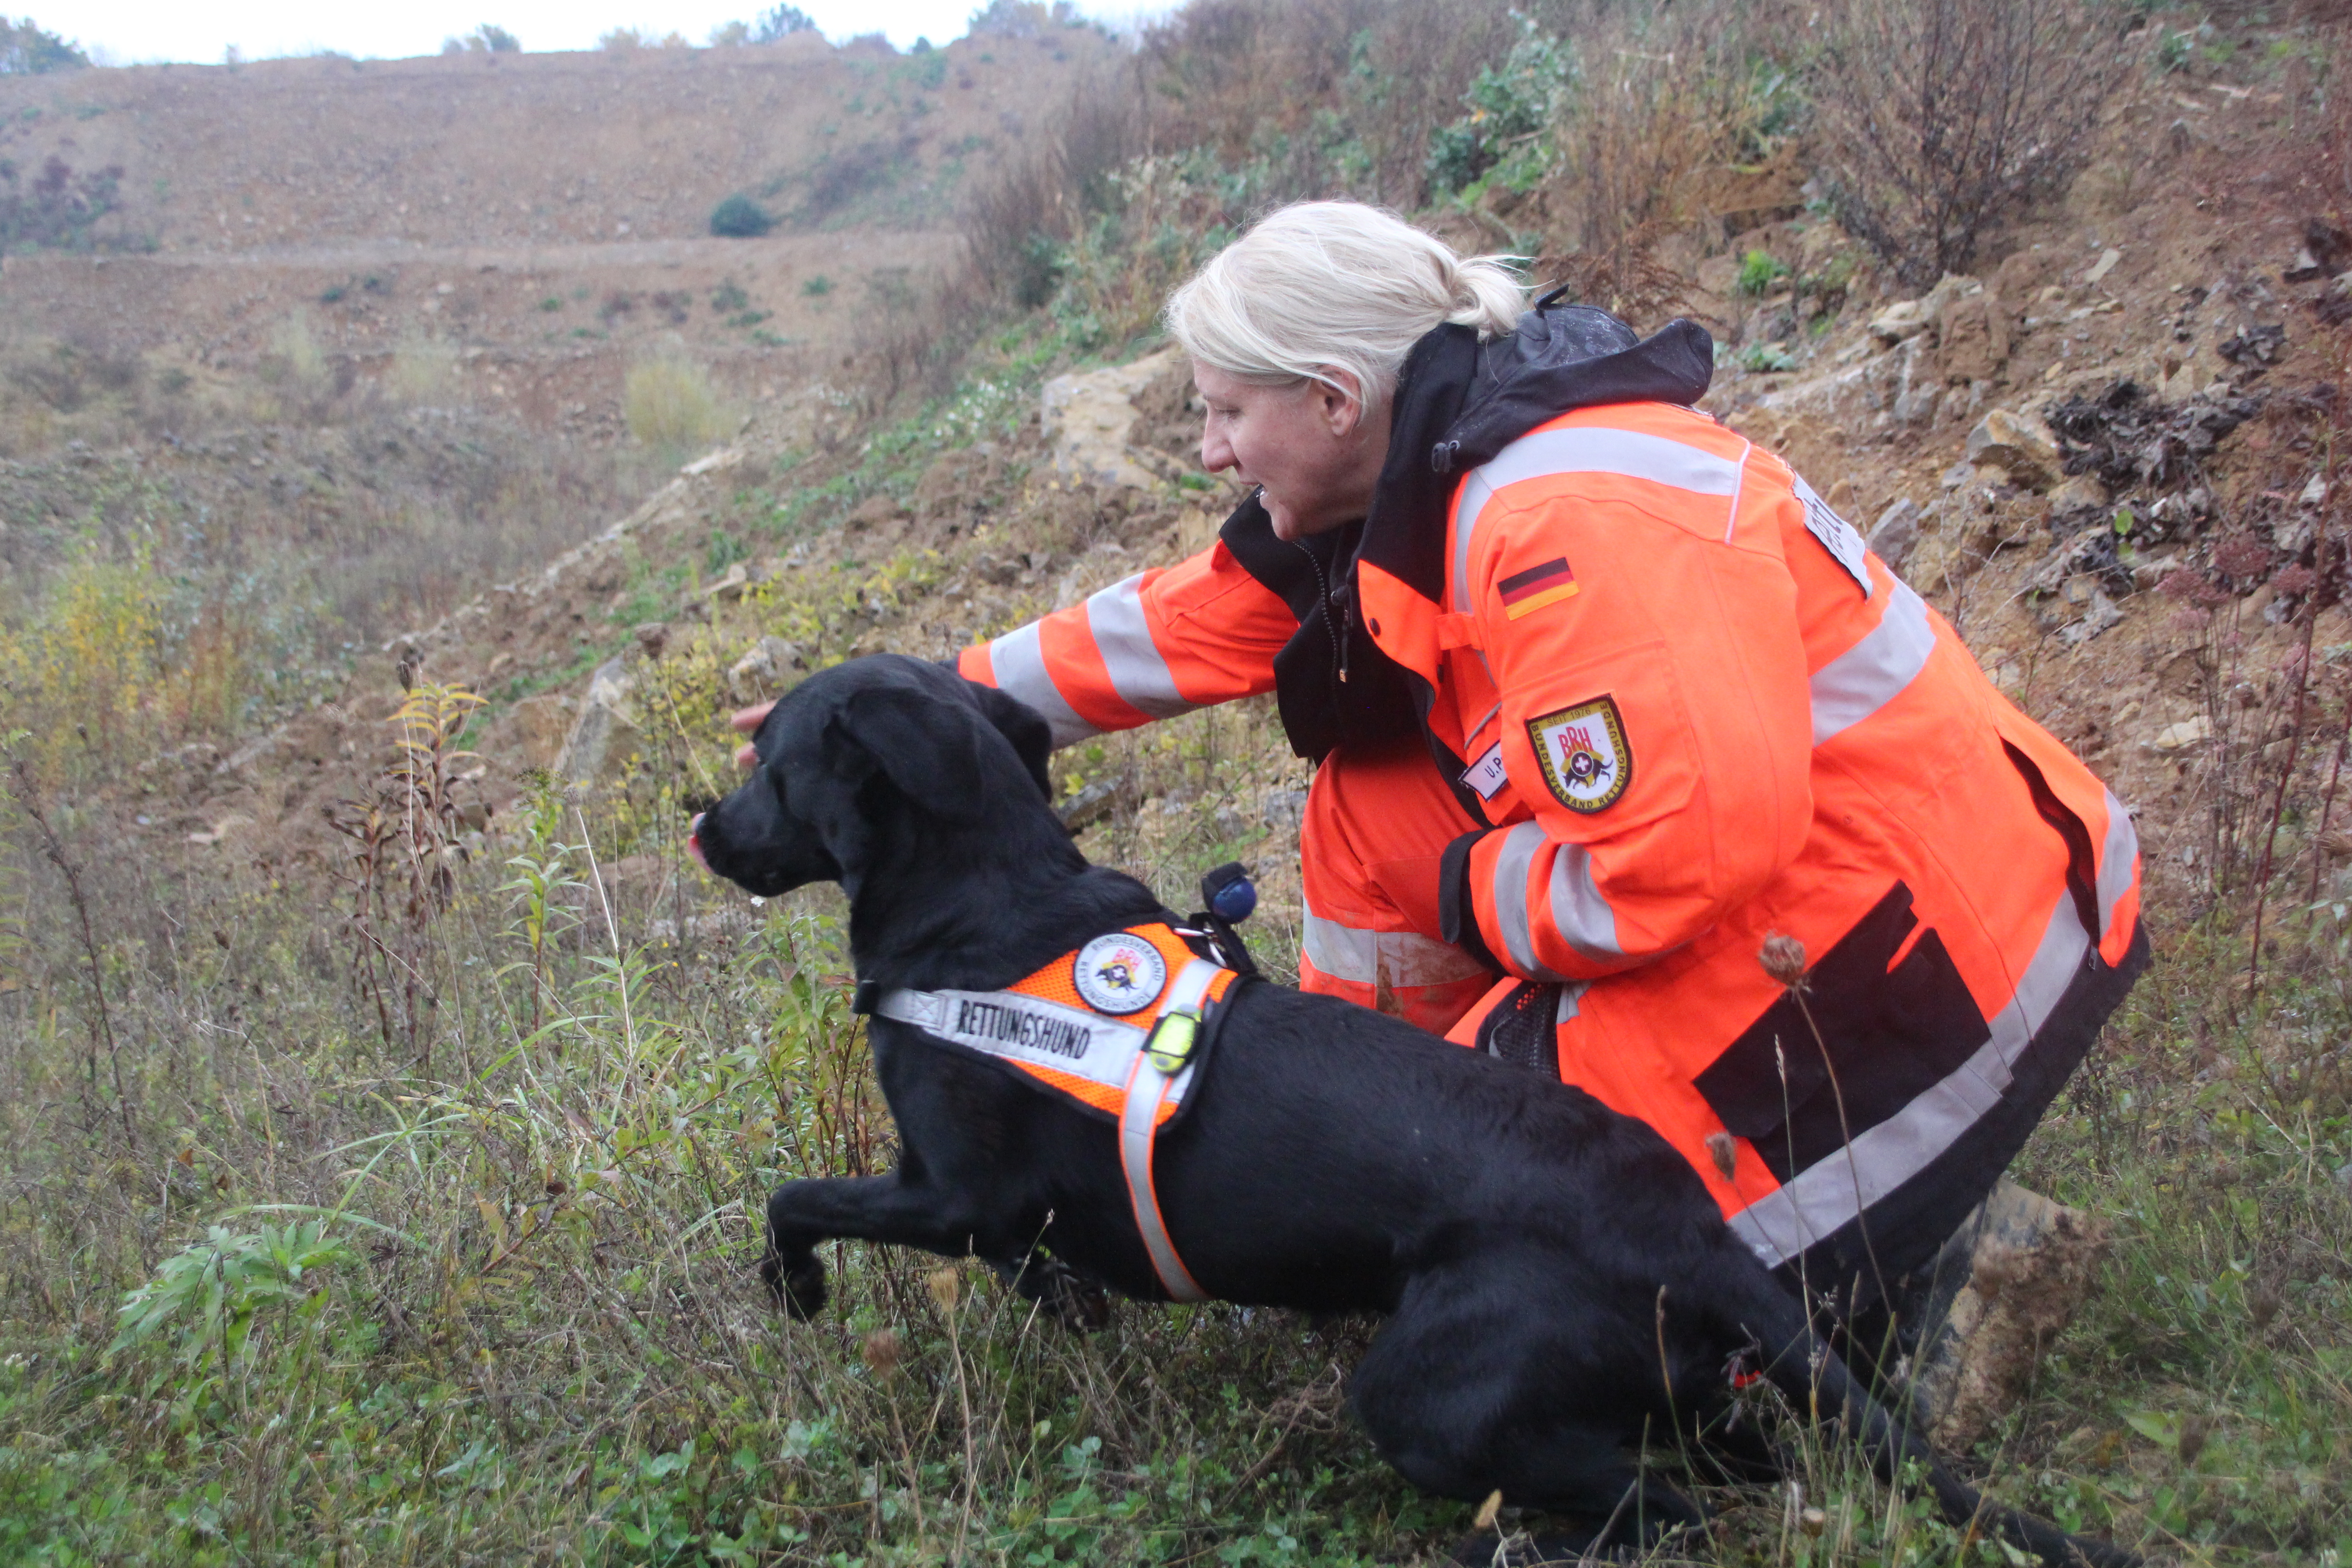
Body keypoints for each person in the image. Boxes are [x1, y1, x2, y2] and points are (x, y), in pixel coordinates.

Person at [736, 201, 2147, 1331]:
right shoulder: (1433, 462)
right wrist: (908, 698)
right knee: (1371, 808)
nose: (1214, 450)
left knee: (1560, 1230)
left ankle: (1876, 1298)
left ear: (1339, 399)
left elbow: (1679, 862)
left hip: (1922, 951)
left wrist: (1479, 891)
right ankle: (1383, 1191)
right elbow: (1188, 623)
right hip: (1816, 892)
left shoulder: (1565, 518)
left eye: (1228, 412)